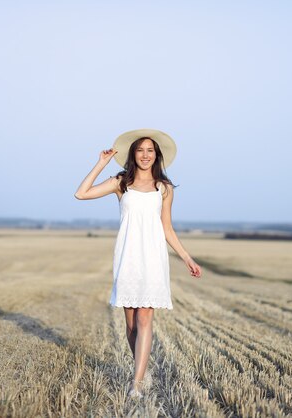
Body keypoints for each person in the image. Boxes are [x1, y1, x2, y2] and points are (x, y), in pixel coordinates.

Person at [74, 128, 202, 399]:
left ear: (157, 155)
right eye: (140, 150)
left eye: (150, 150)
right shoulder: (121, 182)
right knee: (131, 325)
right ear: (133, 154)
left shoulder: (164, 188)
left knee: (145, 317)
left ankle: (137, 383)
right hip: (128, 256)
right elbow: (81, 194)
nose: (145, 155)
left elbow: (167, 229)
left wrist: (187, 258)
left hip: (153, 257)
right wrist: (102, 163)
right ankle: (141, 369)